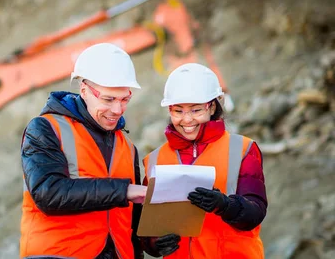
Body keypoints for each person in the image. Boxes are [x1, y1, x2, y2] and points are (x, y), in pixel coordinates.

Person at [19, 43, 148, 259]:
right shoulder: (45, 128)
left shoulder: (127, 147)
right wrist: (123, 190)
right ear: (84, 90)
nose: (117, 110)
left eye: (125, 99)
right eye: (108, 99)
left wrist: (152, 242)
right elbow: (48, 193)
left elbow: (131, 224)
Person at [141, 63, 268, 258]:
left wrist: (225, 205)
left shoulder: (242, 149)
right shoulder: (154, 160)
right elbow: (145, 225)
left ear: (212, 107)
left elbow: (255, 212)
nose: (187, 120)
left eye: (196, 110)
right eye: (178, 111)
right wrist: (154, 243)